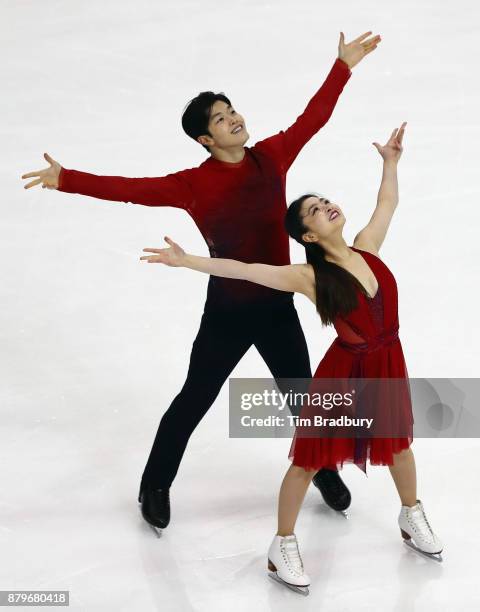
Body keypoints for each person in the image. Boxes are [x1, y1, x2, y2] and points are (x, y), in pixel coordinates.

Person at [21, 31, 381, 532]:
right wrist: (69, 179)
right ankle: (155, 483)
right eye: (220, 118)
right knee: (196, 396)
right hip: (229, 310)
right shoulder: (194, 184)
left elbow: (312, 120)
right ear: (205, 140)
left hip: (278, 304)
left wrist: (342, 67)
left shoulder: (270, 157)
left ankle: (319, 468)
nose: (233, 118)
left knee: (304, 398)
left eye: (231, 109)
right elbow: (132, 191)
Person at [139, 121, 443, 593]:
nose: (327, 207)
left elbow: (388, 204)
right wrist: (189, 262)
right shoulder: (307, 277)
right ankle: (282, 546)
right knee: (308, 460)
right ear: (309, 236)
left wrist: (389, 163)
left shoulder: (368, 246)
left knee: (399, 445)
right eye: (316, 211)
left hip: (388, 361)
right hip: (345, 370)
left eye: (325, 202)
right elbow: (242, 268)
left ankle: (411, 514)